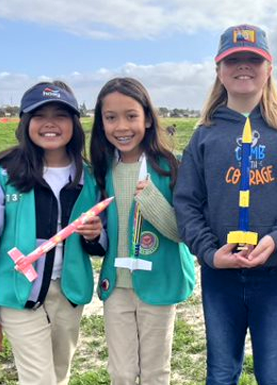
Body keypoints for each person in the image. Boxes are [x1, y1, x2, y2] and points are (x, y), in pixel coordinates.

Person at [173, 24, 277, 385]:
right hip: (220, 276)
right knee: (222, 372)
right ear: (219, 70)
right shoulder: (205, 134)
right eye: (233, 60)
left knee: (274, 374)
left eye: (253, 59)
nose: (243, 66)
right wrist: (210, 253)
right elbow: (186, 203)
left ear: (269, 68)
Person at [0, 81, 105, 385]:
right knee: (39, 380)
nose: (50, 124)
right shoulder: (5, 175)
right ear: (25, 122)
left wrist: (95, 235)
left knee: (59, 375)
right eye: (39, 115)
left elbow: (102, 240)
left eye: (61, 115)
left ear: (74, 123)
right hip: (19, 296)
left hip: (69, 295)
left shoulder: (88, 176)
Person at [89, 77, 195, 385]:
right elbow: (105, 230)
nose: (121, 126)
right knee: (120, 373)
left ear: (148, 118)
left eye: (131, 116)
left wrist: (151, 200)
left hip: (159, 282)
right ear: (101, 123)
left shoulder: (172, 167)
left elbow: (182, 232)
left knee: (154, 372)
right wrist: (94, 235)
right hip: (117, 285)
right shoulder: (101, 170)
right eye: (111, 118)